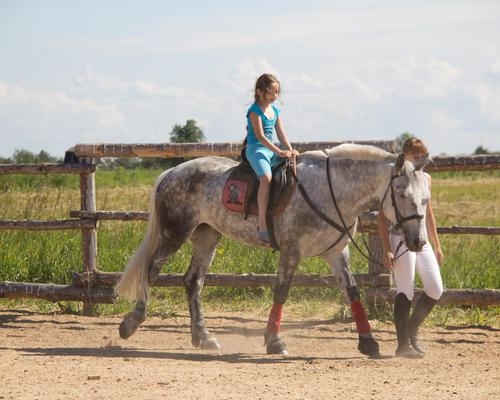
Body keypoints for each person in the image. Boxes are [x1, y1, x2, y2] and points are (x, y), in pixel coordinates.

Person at [378, 138, 444, 358]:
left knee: (435, 288)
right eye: (413, 153)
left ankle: (412, 329)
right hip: (400, 237)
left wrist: (437, 244)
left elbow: (429, 213)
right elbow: (381, 218)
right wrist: (387, 248)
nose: (418, 157)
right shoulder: (396, 179)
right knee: (405, 290)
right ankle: (402, 344)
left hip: (422, 240)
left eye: (421, 153)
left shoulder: (426, 178)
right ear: (404, 156)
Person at [245, 73, 298, 243]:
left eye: (277, 93)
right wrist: (279, 152)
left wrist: (290, 150)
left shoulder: (275, 110)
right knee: (266, 178)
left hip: (272, 150)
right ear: (260, 92)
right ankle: (262, 223)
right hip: (256, 150)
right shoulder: (254, 111)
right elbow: (260, 137)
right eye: (271, 92)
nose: (275, 96)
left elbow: (281, 134)